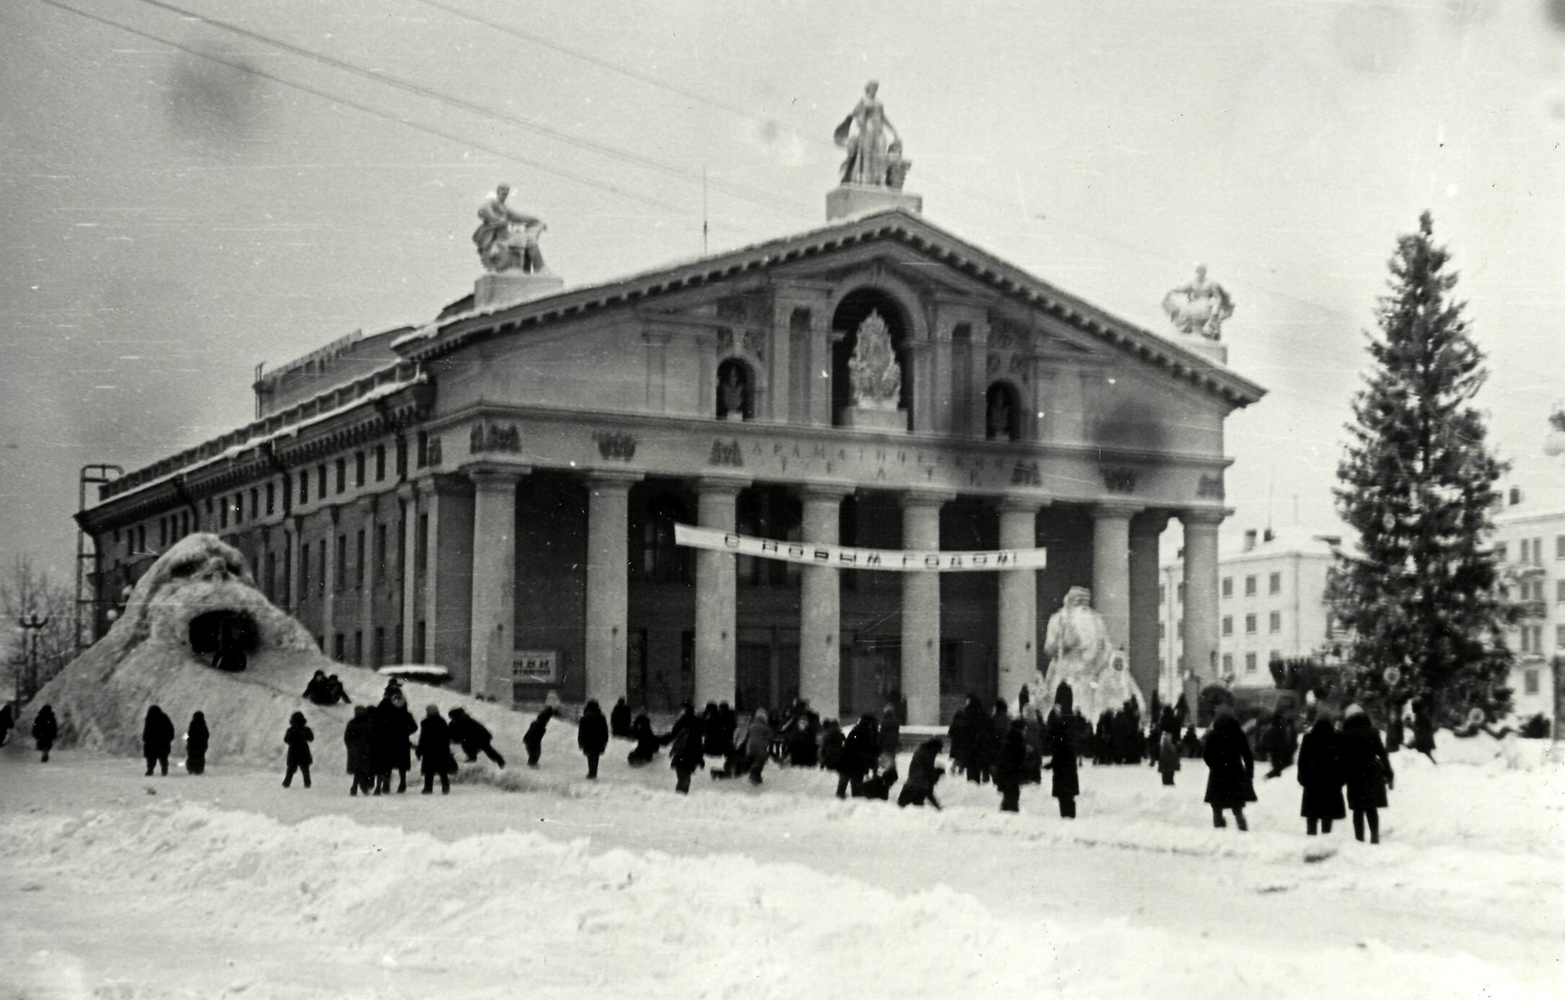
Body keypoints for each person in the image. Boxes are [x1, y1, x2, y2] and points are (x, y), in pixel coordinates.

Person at [1339, 704, 1393, 844]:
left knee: (1358, 810)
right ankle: (1374, 836)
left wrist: (1341, 777)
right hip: (1372, 772)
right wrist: (1388, 773)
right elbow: (1382, 753)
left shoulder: (1345, 735)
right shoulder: (1373, 732)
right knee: (1371, 807)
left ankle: (1359, 839)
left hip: (1354, 774)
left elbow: (1342, 759)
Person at [1203, 706, 1256, 831]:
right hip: (1235, 771)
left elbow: (1206, 755)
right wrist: (1249, 773)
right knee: (1237, 806)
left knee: (1217, 807)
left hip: (1218, 773)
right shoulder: (1238, 733)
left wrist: (1214, 765)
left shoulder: (1213, 734)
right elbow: (1248, 755)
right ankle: (1242, 827)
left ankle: (1219, 829)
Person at [1296, 712, 1346, 836]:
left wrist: (1302, 778)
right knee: (1327, 815)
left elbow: (1302, 761)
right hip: (1331, 782)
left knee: (1312, 815)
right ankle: (1325, 837)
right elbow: (1343, 761)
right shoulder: (1337, 737)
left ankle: (1311, 835)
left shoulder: (1308, 737)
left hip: (1312, 782)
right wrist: (1341, 780)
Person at [373, 684, 418, 793]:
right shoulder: (405, 711)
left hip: (388, 741)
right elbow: (414, 727)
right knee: (402, 764)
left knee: (387, 763)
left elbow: (376, 723)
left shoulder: (385, 709)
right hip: (402, 741)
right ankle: (402, 783)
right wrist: (405, 732)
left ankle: (385, 784)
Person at [416, 704, 457, 795]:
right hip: (441, 750)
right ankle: (445, 788)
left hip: (429, 750)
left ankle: (428, 788)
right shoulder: (442, 721)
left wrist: (419, 750)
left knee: (428, 771)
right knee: (443, 771)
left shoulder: (425, 722)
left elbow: (423, 737)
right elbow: (446, 736)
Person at [837, 713, 879, 798]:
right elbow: (873, 749)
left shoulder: (856, 731)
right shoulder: (871, 733)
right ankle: (856, 799)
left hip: (848, 759)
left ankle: (839, 797)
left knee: (844, 780)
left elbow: (848, 744)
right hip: (860, 762)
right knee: (856, 782)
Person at [897, 737, 945, 809]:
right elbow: (929, 791)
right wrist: (938, 807)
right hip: (917, 787)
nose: (937, 753)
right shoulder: (929, 754)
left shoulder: (922, 751)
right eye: (938, 751)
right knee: (914, 807)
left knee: (902, 807)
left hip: (910, 784)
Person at [994, 718, 1029, 813]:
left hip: (1006, 771)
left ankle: (1005, 809)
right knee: (1013, 793)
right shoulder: (1018, 739)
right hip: (1013, 771)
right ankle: (1011, 810)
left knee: (1008, 792)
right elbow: (1021, 757)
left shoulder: (1008, 737)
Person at [343, 705, 377, 796]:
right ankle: (366, 784)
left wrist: (350, 747)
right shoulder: (368, 723)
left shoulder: (352, 723)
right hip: (365, 749)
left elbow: (347, 737)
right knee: (366, 768)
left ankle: (355, 787)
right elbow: (372, 736)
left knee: (358, 769)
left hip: (355, 750)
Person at [670, 711, 705, 794]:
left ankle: (679, 795)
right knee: (685, 779)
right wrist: (700, 760)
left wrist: (673, 751)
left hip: (680, 758)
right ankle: (681, 795)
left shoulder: (686, 730)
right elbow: (697, 749)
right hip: (687, 760)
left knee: (682, 778)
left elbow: (677, 741)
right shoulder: (696, 734)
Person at [577, 699, 609, 779]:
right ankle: (593, 772)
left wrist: (580, 742)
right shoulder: (601, 718)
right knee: (595, 757)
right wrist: (605, 741)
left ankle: (591, 772)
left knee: (590, 757)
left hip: (588, 742)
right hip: (598, 741)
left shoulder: (584, 718)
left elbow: (581, 732)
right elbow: (605, 731)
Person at [1263, 709, 1297, 779]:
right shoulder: (1282, 727)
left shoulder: (1274, 728)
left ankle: (1275, 771)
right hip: (1280, 749)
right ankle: (1276, 771)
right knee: (1278, 760)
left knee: (1276, 760)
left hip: (1276, 749)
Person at [283, 711, 313, 789]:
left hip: (295, 752)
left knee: (294, 769)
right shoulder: (302, 729)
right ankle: (307, 784)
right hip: (301, 752)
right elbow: (286, 739)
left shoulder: (292, 730)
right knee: (303, 769)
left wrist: (301, 735)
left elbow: (310, 738)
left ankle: (287, 784)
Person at [142, 705, 175, 777]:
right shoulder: (164, 718)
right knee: (163, 757)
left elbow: (147, 730)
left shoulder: (149, 718)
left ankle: (150, 770)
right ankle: (164, 770)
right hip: (163, 742)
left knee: (151, 757)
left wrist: (145, 738)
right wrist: (169, 738)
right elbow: (170, 729)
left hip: (151, 742)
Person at [742, 709, 773, 785]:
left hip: (750, 747)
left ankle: (754, 776)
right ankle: (755, 777)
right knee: (759, 762)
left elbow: (746, 738)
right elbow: (770, 738)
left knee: (752, 760)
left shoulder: (751, 726)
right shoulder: (766, 728)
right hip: (760, 748)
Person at [1411, 699, 1437, 765]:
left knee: (1425, 753)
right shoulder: (1421, 714)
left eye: (1413, 707)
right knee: (1426, 754)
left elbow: (1420, 728)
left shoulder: (1420, 716)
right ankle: (1432, 762)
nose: (1412, 709)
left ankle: (1432, 763)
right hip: (1424, 739)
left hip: (1423, 739)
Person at [878, 701, 901, 773]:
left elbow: (882, 733)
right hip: (893, 740)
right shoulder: (895, 721)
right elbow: (897, 733)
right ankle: (892, 769)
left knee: (885, 755)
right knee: (892, 755)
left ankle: (886, 769)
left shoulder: (884, 721)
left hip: (885, 741)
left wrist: (879, 741)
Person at [185, 711, 209, 775]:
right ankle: (199, 770)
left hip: (192, 744)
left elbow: (189, 733)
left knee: (191, 757)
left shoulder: (192, 724)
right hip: (201, 745)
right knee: (200, 757)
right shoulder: (203, 725)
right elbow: (206, 735)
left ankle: (191, 769)